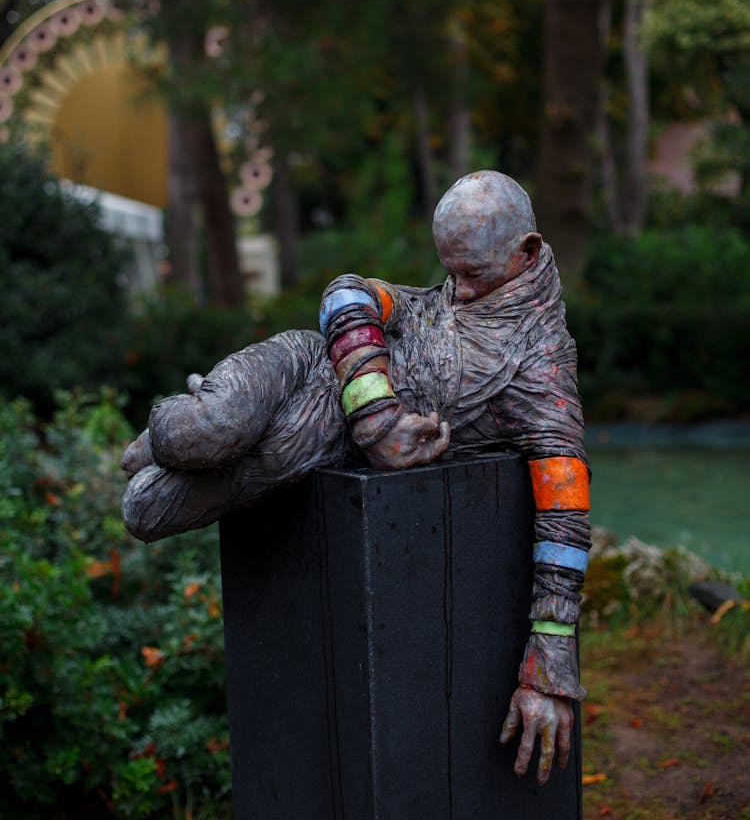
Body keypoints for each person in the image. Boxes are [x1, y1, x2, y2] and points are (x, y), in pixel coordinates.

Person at [122, 170, 590, 784]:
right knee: (209, 427)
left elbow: (566, 507)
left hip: (311, 445)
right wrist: (377, 416)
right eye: (450, 273)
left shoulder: (544, 373)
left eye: (473, 275)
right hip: (299, 369)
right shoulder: (433, 299)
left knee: (146, 509)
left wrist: (549, 657)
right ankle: (171, 428)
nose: (459, 291)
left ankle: (179, 440)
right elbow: (345, 293)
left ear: (526, 252)